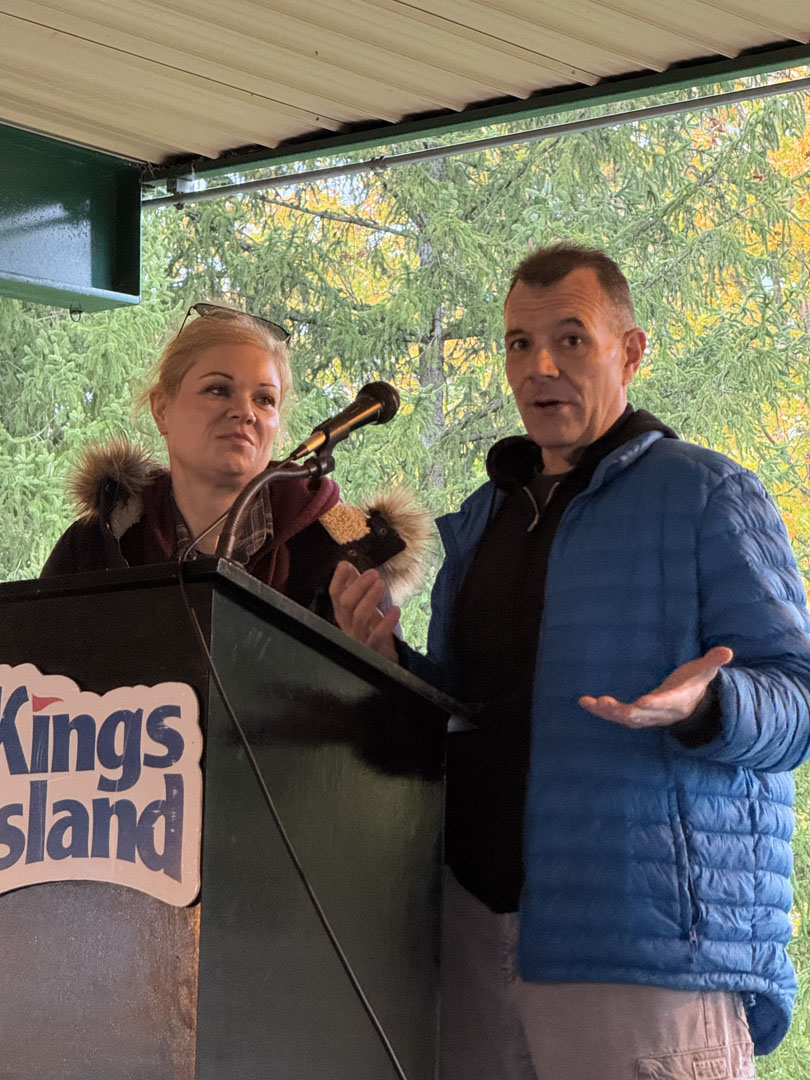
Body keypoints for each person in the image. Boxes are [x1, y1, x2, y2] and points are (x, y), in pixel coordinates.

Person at [330, 244, 810, 1080]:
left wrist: (711, 702)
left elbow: (796, 699)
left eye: (571, 339)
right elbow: (469, 711)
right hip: (474, 941)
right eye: (519, 343)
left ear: (631, 352)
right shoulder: (482, 520)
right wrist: (386, 658)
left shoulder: (709, 495)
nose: (540, 367)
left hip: (645, 947)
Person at [42, 303, 427, 616]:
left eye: (264, 399)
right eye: (218, 390)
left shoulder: (347, 551)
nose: (245, 412)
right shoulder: (96, 544)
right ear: (161, 409)